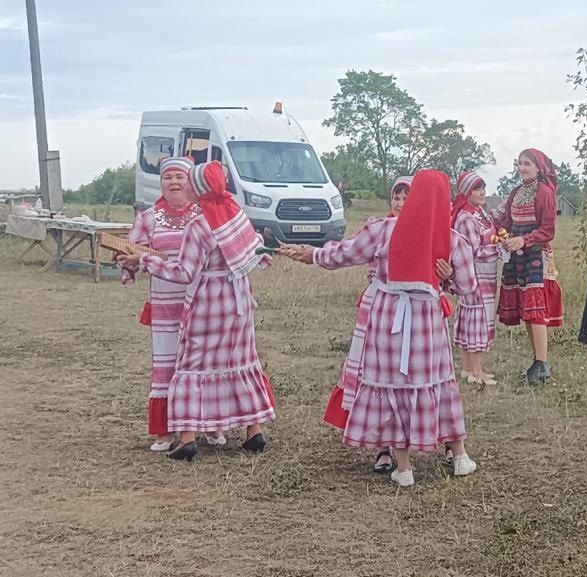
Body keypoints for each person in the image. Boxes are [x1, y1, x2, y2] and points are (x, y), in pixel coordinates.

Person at [281, 170, 479, 487]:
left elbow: (345, 253)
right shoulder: (452, 239)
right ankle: (459, 456)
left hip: (389, 319)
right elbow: (469, 287)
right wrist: (450, 274)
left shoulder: (385, 230)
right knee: (437, 382)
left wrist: (314, 254)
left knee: (393, 386)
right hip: (426, 319)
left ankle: (403, 468)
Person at [118, 161, 276, 461]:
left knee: (191, 367)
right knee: (240, 362)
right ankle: (254, 431)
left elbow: (185, 272)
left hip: (208, 301)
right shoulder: (235, 215)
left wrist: (145, 261)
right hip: (239, 301)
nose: (182, 186)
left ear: (199, 189)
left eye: (187, 181)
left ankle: (187, 438)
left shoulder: (199, 226)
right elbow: (259, 255)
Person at [121, 156, 218, 451]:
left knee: (204, 364)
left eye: (180, 177)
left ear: (190, 182)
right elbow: (131, 250)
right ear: (160, 183)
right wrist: (128, 264)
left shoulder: (206, 214)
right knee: (167, 364)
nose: (174, 183)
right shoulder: (148, 217)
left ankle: (211, 426)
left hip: (202, 302)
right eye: (168, 178)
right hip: (165, 303)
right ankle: (165, 431)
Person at [495, 149, 563, 384]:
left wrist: (525, 239)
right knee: (526, 309)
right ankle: (536, 360)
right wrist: (503, 235)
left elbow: (548, 230)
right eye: (520, 163)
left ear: (538, 168)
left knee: (536, 310)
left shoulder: (544, 193)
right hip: (516, 254)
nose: (522, 168)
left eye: (527, 164)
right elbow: (506, 222)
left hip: (535, 253)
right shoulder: (516, 192)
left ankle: (542, 363)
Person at [451, 171, 501, 385]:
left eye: (482, 188)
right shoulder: (465, 218)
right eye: (477, 189)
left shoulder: (479, 213)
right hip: (474, 273)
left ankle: (470, 367)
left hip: (486, 274)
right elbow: (473, 250)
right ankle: (476, 370)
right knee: (476, 319)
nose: (482, 192)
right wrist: (498, 249)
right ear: (467, 192)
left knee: (475, 317)